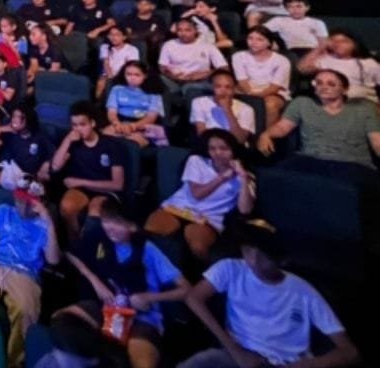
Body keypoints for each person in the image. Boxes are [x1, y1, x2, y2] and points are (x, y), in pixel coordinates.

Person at [181, 219, 358, 368]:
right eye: (248, 249)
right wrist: (235, 350)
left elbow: (349, 352)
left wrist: (310, 364)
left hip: (284, 362)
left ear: (281, 260)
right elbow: (193, 298)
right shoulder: (232, 269)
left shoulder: (303, 292)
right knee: (202, 361)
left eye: (261, 253)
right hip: (236, 354)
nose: (252, 258)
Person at [59, 202, 190, 368]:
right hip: (105, 308)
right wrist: (94, 280)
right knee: (62, 321)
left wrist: (149, 297)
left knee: (140, 360)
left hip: (142, 316)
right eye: (106, 220)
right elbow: (72, 254)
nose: (110, 227)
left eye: (118, 222)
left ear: (132, 226)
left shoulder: (148, 249)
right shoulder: (99, 236)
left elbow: (186, 289)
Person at [0, 179, 62, 367]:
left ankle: (14, 361)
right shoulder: (6, 211)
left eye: (28, 203)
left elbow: (53, 260)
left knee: (25, 311)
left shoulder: (44, 225)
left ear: (39, 204)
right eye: (19, 200)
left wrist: (49, 223)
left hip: (24, 273)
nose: (22, 206)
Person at [145, 129, 255, 261]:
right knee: (152, 228)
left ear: (233, 150)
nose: (217, 153)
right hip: (177, 209)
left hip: (208, 219)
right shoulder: (197, 161)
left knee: (198, 246)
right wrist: (222, 178)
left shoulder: (244, 176)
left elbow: (245, 210)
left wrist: (243, 178)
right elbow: (197, 194)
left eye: (223, 148)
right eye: (212, 149)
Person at [257, 68, 380, 179]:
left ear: (344, 89)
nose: (324, 87)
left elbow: (377, 141)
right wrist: (266, 134)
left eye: (331, 84)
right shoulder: (302, 103)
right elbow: (282, 127)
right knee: (274, 177)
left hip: (352, 163)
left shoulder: (364, 108)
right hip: (310, 159)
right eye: (319, 83)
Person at [51, 101, 127, 240]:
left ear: (92, 123)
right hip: (81, 190)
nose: (78, 129)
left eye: (82, 124)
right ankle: (75, 242)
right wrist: (67, 140)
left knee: (95, 211)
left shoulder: (112, 146)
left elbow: (117, 184)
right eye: (74, 125)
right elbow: (55, 166)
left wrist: (80, 182)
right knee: (67, 206)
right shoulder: (73, 142)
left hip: (106, 191)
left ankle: (90, 245)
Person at [231, 26, 292, 132]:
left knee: (271, 104)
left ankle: (267, 136)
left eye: (259, 39)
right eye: (250, 38)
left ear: (269, 43)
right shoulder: (238, 56)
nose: (253, 42)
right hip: (246, 90)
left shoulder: (282, 61)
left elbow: (274, 87)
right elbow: (242, 81)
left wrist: (258, 95)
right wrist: (250, 93)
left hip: (273, 92)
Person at [298, 29, 380, 104]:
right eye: (334, 41)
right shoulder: (324, 60)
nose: (338, 44)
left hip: (360, 101)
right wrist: (320, 48)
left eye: (343, 41)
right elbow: (303, 69)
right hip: (329, 100)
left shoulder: (368, 63)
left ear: (354, 44)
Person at [189, 70, 256, 145]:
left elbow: (240, 140)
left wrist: (227, 110)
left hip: (234, 147)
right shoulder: (199, 102)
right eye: (218, 86)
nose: (223, 91)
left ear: (234, 89)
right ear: (212, 87)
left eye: (228, 87)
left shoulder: (246, 109)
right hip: (209, 145)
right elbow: (202, 134)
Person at [263, 0, 328, 54]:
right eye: (290, 7)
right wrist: (271, 42)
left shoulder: (317, 23)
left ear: (307, 8)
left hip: (313, 50)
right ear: (286, 9)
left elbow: (323, 43)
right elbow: (259, 31)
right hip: (292, 51)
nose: (295, 10)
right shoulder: (279, 20)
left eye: (299, 6)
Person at [96, 25, 140, 98]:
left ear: (124, 37)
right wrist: (111, 76)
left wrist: (119, 77)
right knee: (101, 82)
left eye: (117, 35)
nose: (113, 37)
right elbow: (106, 63)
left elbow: (130, 66)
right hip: (108, 74)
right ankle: (98, 102)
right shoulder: (105, 47)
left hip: (124, 74)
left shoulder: (132, 49)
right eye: (111, 35)